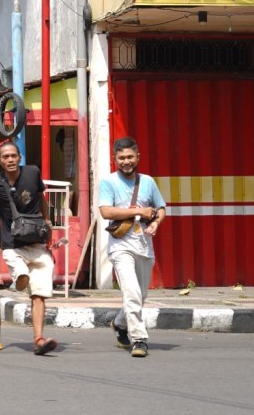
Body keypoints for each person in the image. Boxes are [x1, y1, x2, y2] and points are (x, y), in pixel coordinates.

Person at [0, 140, 58, 356]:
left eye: (13, 156)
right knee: (19, 268)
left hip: (37, 243)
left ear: (19, 157)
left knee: (39, 295)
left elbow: (40, 198)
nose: (10, 160)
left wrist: (47, 222)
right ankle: (20, 278)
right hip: (12, 244)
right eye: (5, 157)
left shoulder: (33, 173)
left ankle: (38, 339)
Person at [99, 136, 167, 358]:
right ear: (115, 159)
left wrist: (155, 222)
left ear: (138, 157)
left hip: (144, 245)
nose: (126, 161)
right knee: (132, 292)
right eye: (121, 158)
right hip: (120, 246)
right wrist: (138, 211)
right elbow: (106, 212)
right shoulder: (108, 182)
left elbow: (161, 208)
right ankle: (139, 339)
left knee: (141, 294)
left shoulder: (147, 181)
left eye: (130, 157)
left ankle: (120, 323)